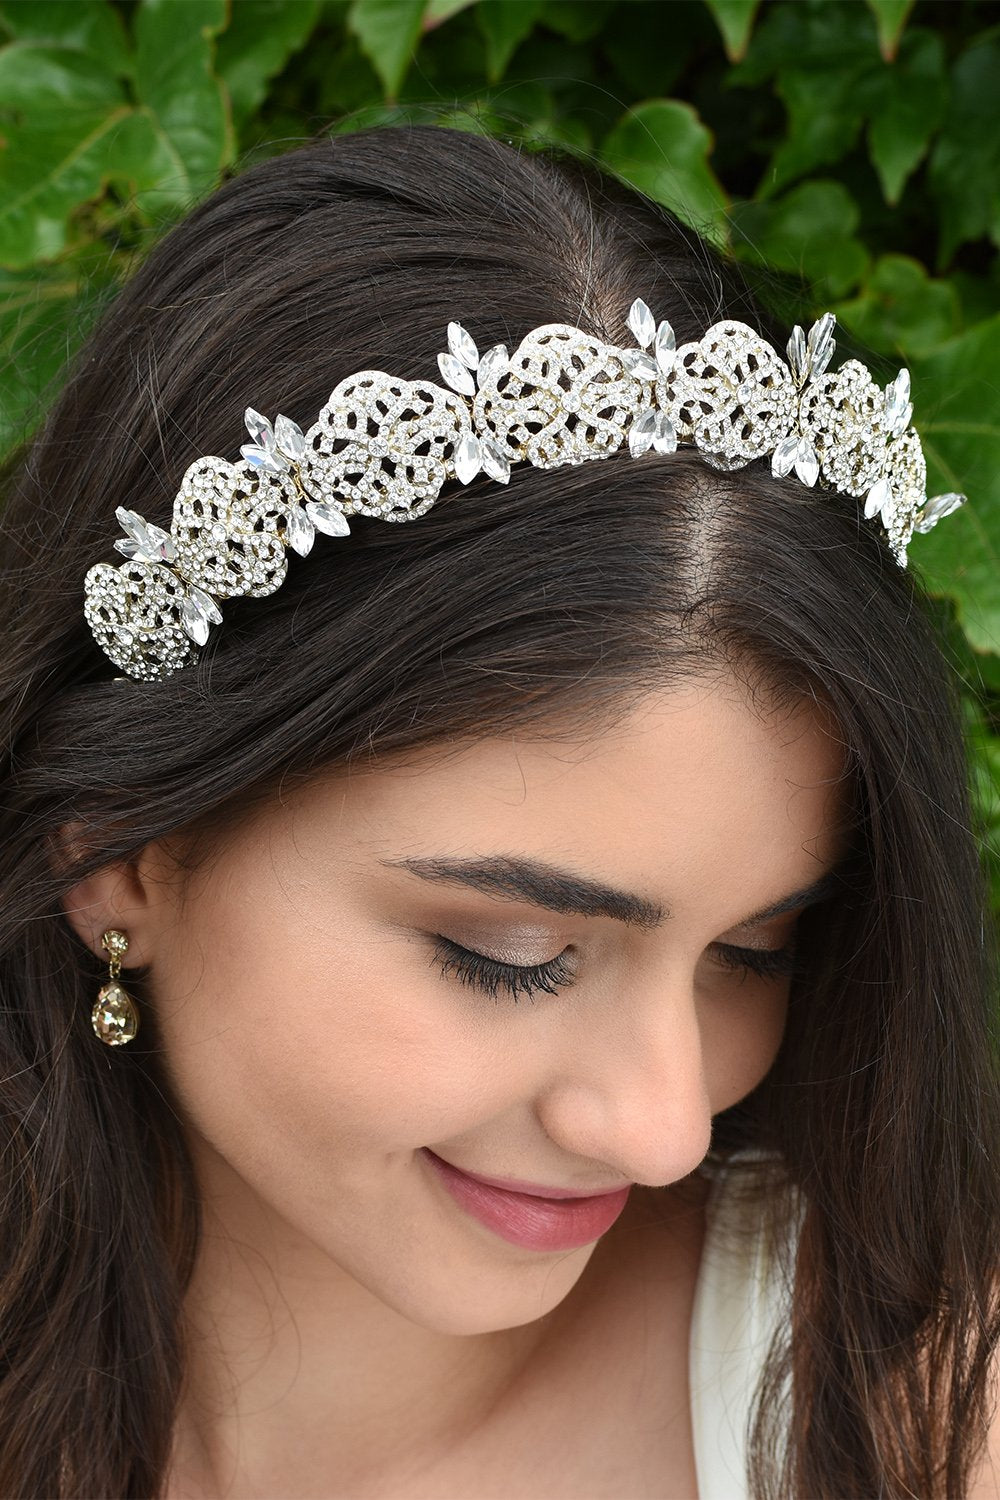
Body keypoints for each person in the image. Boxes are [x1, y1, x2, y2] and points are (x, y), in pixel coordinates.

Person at [0, 123, 998, 1500]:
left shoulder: (927, 1421)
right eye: (512, 953)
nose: (664, 1131)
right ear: (118, 850)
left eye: (751, 954)